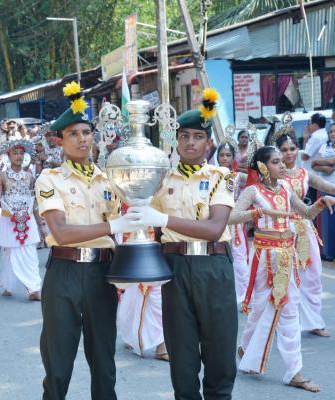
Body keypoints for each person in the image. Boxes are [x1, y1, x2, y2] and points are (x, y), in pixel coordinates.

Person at [35, 81, 144, 400]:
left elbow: (138, 209)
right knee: (58, 364)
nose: (82, 139)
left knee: (104, 363)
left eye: (86, 132)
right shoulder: (49, 179)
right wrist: (114, 224)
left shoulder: (109, 179)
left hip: (101, 275)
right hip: (65, 273)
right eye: (73, 134)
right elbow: (62, 232)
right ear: (60, 141)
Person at [127, 88, 238, 400]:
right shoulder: (162, 179)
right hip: (175, 267)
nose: (191, 143)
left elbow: (215, 228)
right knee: (182, 350)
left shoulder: (223, 176)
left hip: (214, 266)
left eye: (198, 137)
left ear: (209, 142)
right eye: (185, 136)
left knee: (219, 347)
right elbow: (146, 220)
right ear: (176, 141)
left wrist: (163, 220)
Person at [230, 145, 335, 391]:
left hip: (288, 257)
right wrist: (260, 211)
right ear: (264, 167)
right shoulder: (253, 191)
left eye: (283, 160)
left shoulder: (286, 187)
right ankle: (246, 348)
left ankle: (294, 372)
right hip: (266, 258)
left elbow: (307, 213)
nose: (284, 164)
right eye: (277, 161)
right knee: (259, 309)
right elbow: (231, 217)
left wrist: (321, 201)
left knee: (289, 312)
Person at [278, 132, 335, 336]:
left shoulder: (304, 173)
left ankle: (314, 322)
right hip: (281, 230)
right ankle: (282, 322)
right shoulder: (274, 176)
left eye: (292, 149)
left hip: (304, 227)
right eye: (284, 150)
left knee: (312, 275)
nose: (289, 153)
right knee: (283, 277)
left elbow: (326, 186)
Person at [0, 139, 42, 300]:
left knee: (30, 254)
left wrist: (41, 225)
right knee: (9, 253)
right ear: (7, 156)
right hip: (8, 220)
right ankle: (8, 285)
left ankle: (33, 288)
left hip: (28, 220)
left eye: (21, 153)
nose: (18, 156)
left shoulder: (30, 177)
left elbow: (34, 202)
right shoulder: (1, 176)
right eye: (15, 153)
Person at [217, 141, 249, 304]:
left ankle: (243, 296)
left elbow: (256, 183)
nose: (224, 158)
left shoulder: (238, 176)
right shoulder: (211, 175)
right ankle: (223, 294)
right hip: (216, 221)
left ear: (233, 157)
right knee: (218, 257)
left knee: (239, 257)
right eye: (221, 155)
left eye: (228, 155)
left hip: (234, 222)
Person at [312, 122, 335, 261]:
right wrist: (328, 165)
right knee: (325, 223)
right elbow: (314, 163)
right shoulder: (324, 146)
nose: (333, 134)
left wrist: (323, 163)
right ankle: (327, 252)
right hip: (324, 188)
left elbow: (321, 162)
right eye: (331, 131)